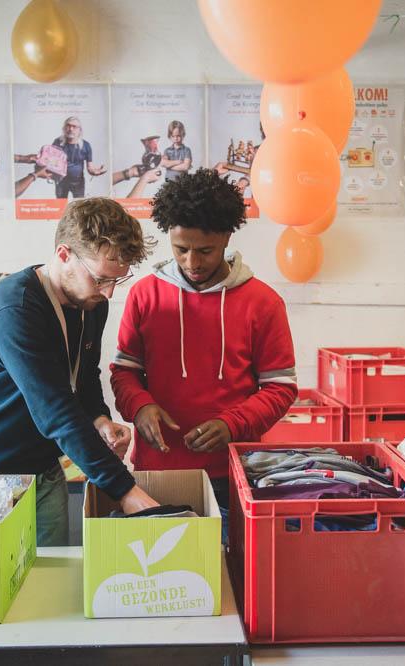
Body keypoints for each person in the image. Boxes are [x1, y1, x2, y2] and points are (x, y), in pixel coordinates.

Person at [0, 198, 159, 546]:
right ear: (63, 254)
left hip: (43, 468)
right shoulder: (14, 309)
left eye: (118, 280)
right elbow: (54, 410)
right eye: (101, 279)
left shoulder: (91, 303)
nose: (109, 292)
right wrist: (124, 490)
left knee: (53, 574)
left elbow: (84, 375)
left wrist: (99, 418)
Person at [110, 168, 298, 530]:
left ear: (227, 237)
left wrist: (232, 424)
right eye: (181, 249)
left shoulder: (263, 303)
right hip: (157, 470)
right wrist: (140, 406)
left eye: (205, 251)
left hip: (234, 471)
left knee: (226, 563)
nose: (192, 262)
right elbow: (124, 372)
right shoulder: (145, 295)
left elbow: (280, 387)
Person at [52, 116, 106, 199]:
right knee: (61, 205)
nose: (71, 129)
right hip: (61, 182)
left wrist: (96, 172)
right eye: (68, 125)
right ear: (64, 128)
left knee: (79, 205)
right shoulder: (57, 142)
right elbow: (51, 161)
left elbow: (90, 168)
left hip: (78, 183)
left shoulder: (86, 145)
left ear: (80, 130)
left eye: (74, 127)